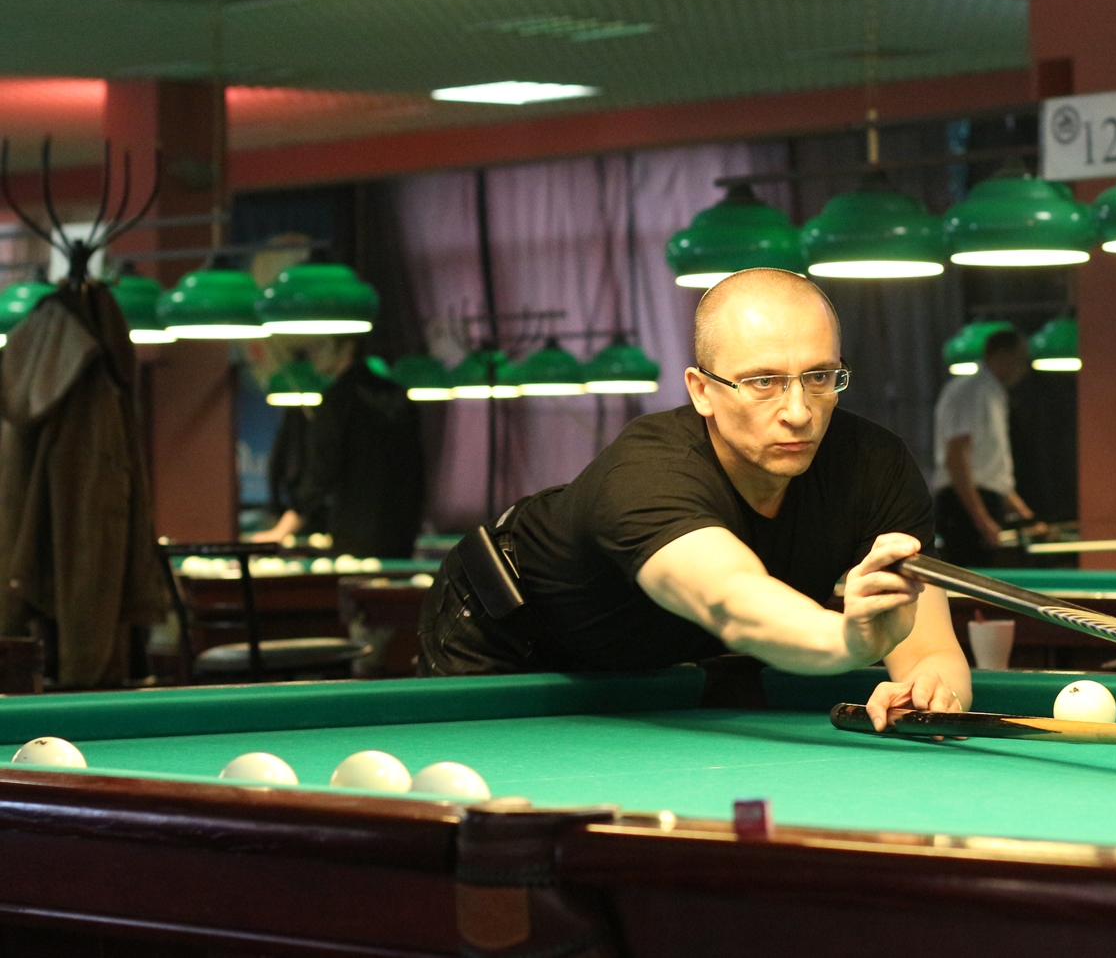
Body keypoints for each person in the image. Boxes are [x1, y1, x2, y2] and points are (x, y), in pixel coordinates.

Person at [419, 269, 970, 728]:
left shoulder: (876, 466)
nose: (799, 411)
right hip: (508, 630)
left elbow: (927, 648)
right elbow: (730, 600)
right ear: (702, 390)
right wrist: (848, 641)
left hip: (657, 652)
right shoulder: (647, 472)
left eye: (819, 376)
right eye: (763, 382)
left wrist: (929, 693)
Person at [251, 337, 425, 558]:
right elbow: (418, 471)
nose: (313, 352)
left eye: (321, 345)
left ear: (347, 349)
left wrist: (281, 531)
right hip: (403, 537)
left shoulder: (336, 400)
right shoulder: (399, 395)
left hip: (356, 541)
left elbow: (320, 475)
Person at [930, 328, 1036, 567]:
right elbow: (956, 456)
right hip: (964, 505)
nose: (1024, 367)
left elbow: (989, 467)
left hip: (980, 501)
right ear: (1002, 355)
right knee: (972, 580)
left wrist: (1024, 514)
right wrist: (981, 518)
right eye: (1021, 358)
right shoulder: (971, 390)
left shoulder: (992, 392)